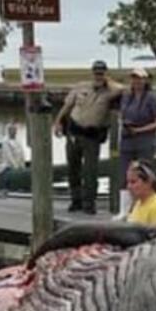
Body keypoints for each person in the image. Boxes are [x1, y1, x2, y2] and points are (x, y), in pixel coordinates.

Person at [54, 60, 122, 214]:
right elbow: (67, 106)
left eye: (101, 72)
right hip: (73, 132)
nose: (98, 75)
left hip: (92, 136)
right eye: (96, 72)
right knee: (73, 169)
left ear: (106, 73)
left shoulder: (109, 91)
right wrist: (58, 122)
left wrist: (107, 81)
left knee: (90, 172)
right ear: (92, 72)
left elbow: (121, 89)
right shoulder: (81, 86)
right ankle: (75, 200)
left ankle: (89, 203)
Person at [117, 68, 156, 218]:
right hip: (127, 139)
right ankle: (124, 210)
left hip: (144, 139)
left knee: (144, 173)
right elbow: (121, 113)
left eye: (139, 78)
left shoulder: (151, 97)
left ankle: (145, 207)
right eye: (133, 78)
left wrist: (139, 130)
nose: (136, 81)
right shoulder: (126, 96)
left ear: (145, 80)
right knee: (125, 172)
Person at [125, 161, 156, 226]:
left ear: (148, 182)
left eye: (133, 182)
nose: (128, 186)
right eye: (128, 182)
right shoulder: (138, 203)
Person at [0, 124, 26, 196]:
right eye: (12, 130)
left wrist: (22, 165)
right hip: (8, 166)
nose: (14, 132)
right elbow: (9, 156)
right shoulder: (5, 141)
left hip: (19, 166)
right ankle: (5, 188)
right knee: (7, 174)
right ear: (9, 131)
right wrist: (15, 167)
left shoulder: (18, 141)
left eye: (15, 130)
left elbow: (21, 153)